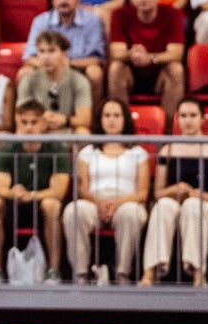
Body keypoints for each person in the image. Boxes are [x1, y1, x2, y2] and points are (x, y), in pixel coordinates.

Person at [141, 98, 208, 287]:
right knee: (163, 205)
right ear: (177, 119)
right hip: (175, 202)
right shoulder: (168, 150)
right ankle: (150, 271)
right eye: (183, 116)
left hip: (207, 206)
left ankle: (198, 273)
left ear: (202, 119)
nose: (187, 120)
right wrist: (174, 190)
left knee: (192, 206)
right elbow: (158, 193)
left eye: (192, 115)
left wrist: (201, 196)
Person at [63, 99, 150, 285]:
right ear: (100, 119)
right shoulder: (87, 151)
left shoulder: (139, 152)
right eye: (107, 115)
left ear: (125, 119)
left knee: (132, 213)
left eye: (116, 115)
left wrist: (117, 204)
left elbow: (143, 192)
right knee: (73, 211)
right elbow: (82, 189)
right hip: (94, 203)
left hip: (126, 203)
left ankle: (122, 274)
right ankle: (80, 274)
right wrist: (100, 203)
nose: (111, 120)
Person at [0, 100, 70, 283]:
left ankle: (54, 270)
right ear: (17, 123)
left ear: (44, 124)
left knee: (51, 205)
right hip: (14, 207)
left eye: (33, 122)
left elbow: (58, 191)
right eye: (24, 122)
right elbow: (0, 188)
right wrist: (14, 193)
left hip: (42, 207)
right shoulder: (8, 148)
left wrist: (31, 195)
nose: (28, 127)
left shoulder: (57, 148)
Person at [108, 0, 186, 123]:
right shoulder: (120, 14)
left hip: (159, 75)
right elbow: (116, 52)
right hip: (131, 74)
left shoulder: (173, 14)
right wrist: (132, 54)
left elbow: (176, 54)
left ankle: (168, 129)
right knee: (115, 67)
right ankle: (122, 127)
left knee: (176, 69)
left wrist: (150, 58)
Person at [21, 0, 105, 104]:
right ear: (53, 0)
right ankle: (28, 115)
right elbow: (29, 57)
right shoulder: (40, 21)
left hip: (78, 69)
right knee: (24, 73)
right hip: (47, 68)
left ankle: (92, 115)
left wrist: (69, 63)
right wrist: (51, 64)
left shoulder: (92, 21)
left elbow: (96, 59)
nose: (63, 1)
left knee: (95, 72)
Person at [16, 31, 91, 134]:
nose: (46, 57)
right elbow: (19, 116)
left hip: (66, 130)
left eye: (51, 51)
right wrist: (41, 118)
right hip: (36, 131)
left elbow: (85, 119)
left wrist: (64, 119)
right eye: (42, 51)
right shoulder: (28, 80)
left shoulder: (79, 80)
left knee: (83, 132)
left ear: (63, 53)